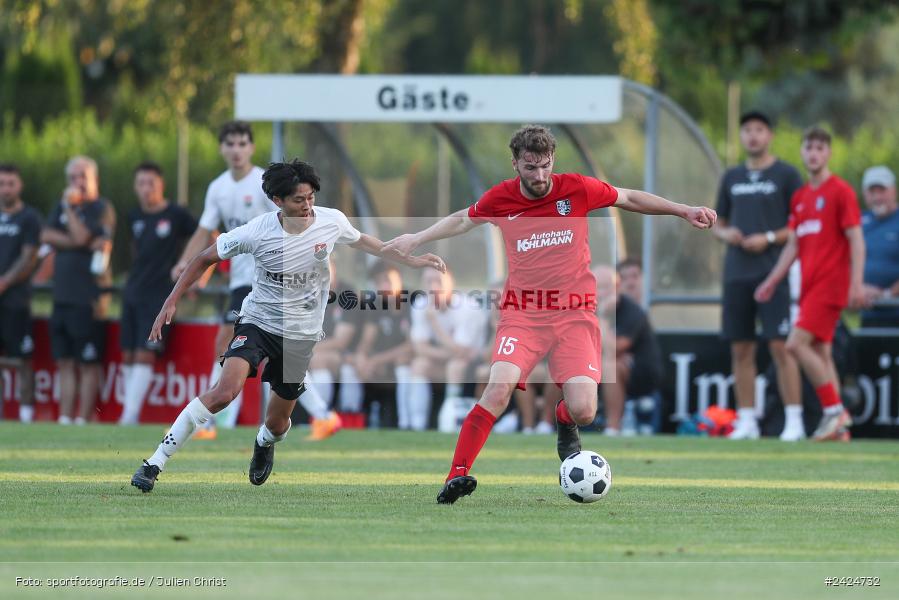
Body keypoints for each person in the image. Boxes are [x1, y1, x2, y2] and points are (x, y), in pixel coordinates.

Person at [384, 124, 716, 504]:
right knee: (497, 388)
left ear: (552, 161)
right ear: (515, 164)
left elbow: (629, 197)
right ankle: (456, 475)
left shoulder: (576, 188)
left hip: (575, 315)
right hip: (523, 315)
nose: (539, 176)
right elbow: (462, 218)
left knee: (585, 410)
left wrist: (683, 210)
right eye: (530, 168)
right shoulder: (502, 199)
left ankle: (563, 418)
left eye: (545, 166)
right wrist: (416, 238)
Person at [130, 159, 445, 492]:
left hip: (300, 335)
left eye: (310, 197)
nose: (308, 205)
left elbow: (370, 244)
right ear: (278, 201)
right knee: (224, 393)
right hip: (258, 322)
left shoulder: (331, 221)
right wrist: (171, 300)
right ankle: (154, 463)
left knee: (278, 424)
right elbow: (204, 258)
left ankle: (264, 442)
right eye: (299, 199)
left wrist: (412, 259)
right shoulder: (256, 231)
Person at [755, 127, 866, 442]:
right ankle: (840, 428)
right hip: (807, 286)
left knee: (795, 345)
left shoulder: (841, 191)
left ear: (828, 153)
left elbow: (856, 241)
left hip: (831, 285)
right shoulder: (801, 197)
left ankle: (834, 410)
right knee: (821, 351)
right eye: (809, 148)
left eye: (820, 148)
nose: (814, 153)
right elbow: (793, 245)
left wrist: (856, 284)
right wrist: (772, 280)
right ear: (802, 152)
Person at [172, 121, 276, 435]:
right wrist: (185, 264)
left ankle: (213, 418)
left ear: (251, 148)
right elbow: (205, 232)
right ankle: (323, 415)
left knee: (228, 341)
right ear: (222, 148)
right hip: (240, 281)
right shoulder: (218, 188)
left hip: (262, 279)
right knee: (270, 352)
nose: (236, 149)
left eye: (242, 143)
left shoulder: (263, 182)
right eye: (230, 143)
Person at [713, 111, 805, 441]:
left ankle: (794, 421)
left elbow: (798, 225)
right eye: (747, 130)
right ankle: (747, 420)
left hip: (773, 274)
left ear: (770, 135)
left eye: (759, 130)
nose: (752, 136)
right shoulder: (732, 176)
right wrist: (728, 235)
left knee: (781, 348)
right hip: (737, 274)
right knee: (741, 350)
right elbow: (718, 224)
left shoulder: (787, 175)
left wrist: (766, 238)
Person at [118, 162, 197, 424]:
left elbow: (207, 235)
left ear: (161, 185)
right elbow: (134, 251)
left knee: (145, 351)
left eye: (151, 183)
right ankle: (128, 413)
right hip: (133, 290)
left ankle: (129, 416)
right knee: (128, 353)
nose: (145, 189)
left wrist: (194, 275)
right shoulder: (134, 217)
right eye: (141, 183)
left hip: (159, 294)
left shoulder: (176, 214)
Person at [41, 156, 116, 424]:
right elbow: (46, 235)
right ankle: (64, 418)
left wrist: (70, 214)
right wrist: (75, 239)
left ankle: (83, 420)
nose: (77, 183)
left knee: (87, 363)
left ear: (94, 178)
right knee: (64, 361)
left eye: (82, 176)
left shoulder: (100, 207)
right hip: (62, 296)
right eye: (73, 177)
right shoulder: (60, 207)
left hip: (89, 298)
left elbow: (82, 236)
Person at [407, 267, 489, 431]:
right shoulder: (420, 304)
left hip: (473, 362)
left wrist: (435, 324)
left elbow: (462, 352)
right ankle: (416, 425)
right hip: (446, 359)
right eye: (428, 282)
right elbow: (419, 348)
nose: (433, 287)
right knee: (419, 365)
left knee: (455, 366)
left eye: (438, 281)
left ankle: (450, 420)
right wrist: (447, 353)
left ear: (451, 282)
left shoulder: (468, 307)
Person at [593, 265, 663, 436]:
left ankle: (613, 427)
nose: (600, 293)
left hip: (642, 373)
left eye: (605, 287)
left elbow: (612, 350)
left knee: (610, 366)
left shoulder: (632, 311)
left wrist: (601, 317)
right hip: (595, 366)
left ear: (617, 287)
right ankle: (546, 425)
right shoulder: (580, 308)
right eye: (596, 287)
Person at [0, 164, 41, 423]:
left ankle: (27, 418)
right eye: (1, 183)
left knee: (23, 360)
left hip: (16, 301)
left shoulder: (30, 218)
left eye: (10, 183)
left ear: (20, 185)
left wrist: (4, 281)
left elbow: (29, 259)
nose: (5, 188)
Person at [352, 260, 413, 429]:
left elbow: (412, 345)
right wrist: (362, 358)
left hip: (408, 361)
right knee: (353, 366)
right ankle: (355, 419)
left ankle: (406, 421)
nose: (383, 285)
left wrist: (378, 360)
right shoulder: (377, 304)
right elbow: (367, 340)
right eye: (379, 282)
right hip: (382, 362)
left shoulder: (412, 302)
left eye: (387, 279)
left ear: (399, 278)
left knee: (403, 361)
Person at [859, 165, 899, 327]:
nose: (877, 197)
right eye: (872, 192)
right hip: (868, 313)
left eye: (882, 190)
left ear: (893, 191)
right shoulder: (859, 222)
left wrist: (887, 294)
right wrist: (858, 288)